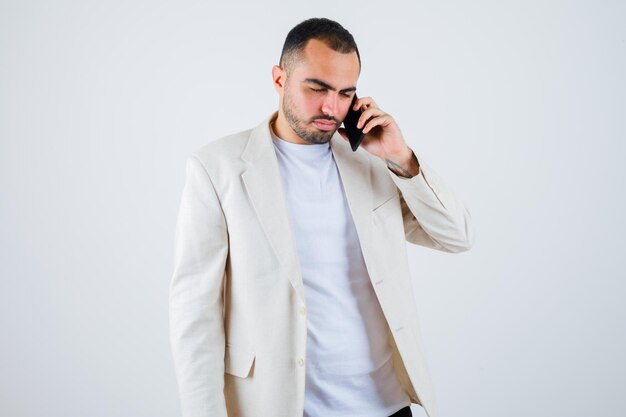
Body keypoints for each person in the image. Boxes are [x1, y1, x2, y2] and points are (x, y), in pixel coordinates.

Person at [169, 17, 474, 417]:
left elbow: (456, 236)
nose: (332, 107)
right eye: (317, 88)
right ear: (280, 79)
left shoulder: (370, 160)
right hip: (280, 406)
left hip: (386, 406)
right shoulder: (218, 168)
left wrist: (402, 158)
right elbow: (195, 314)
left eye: (346, 93)